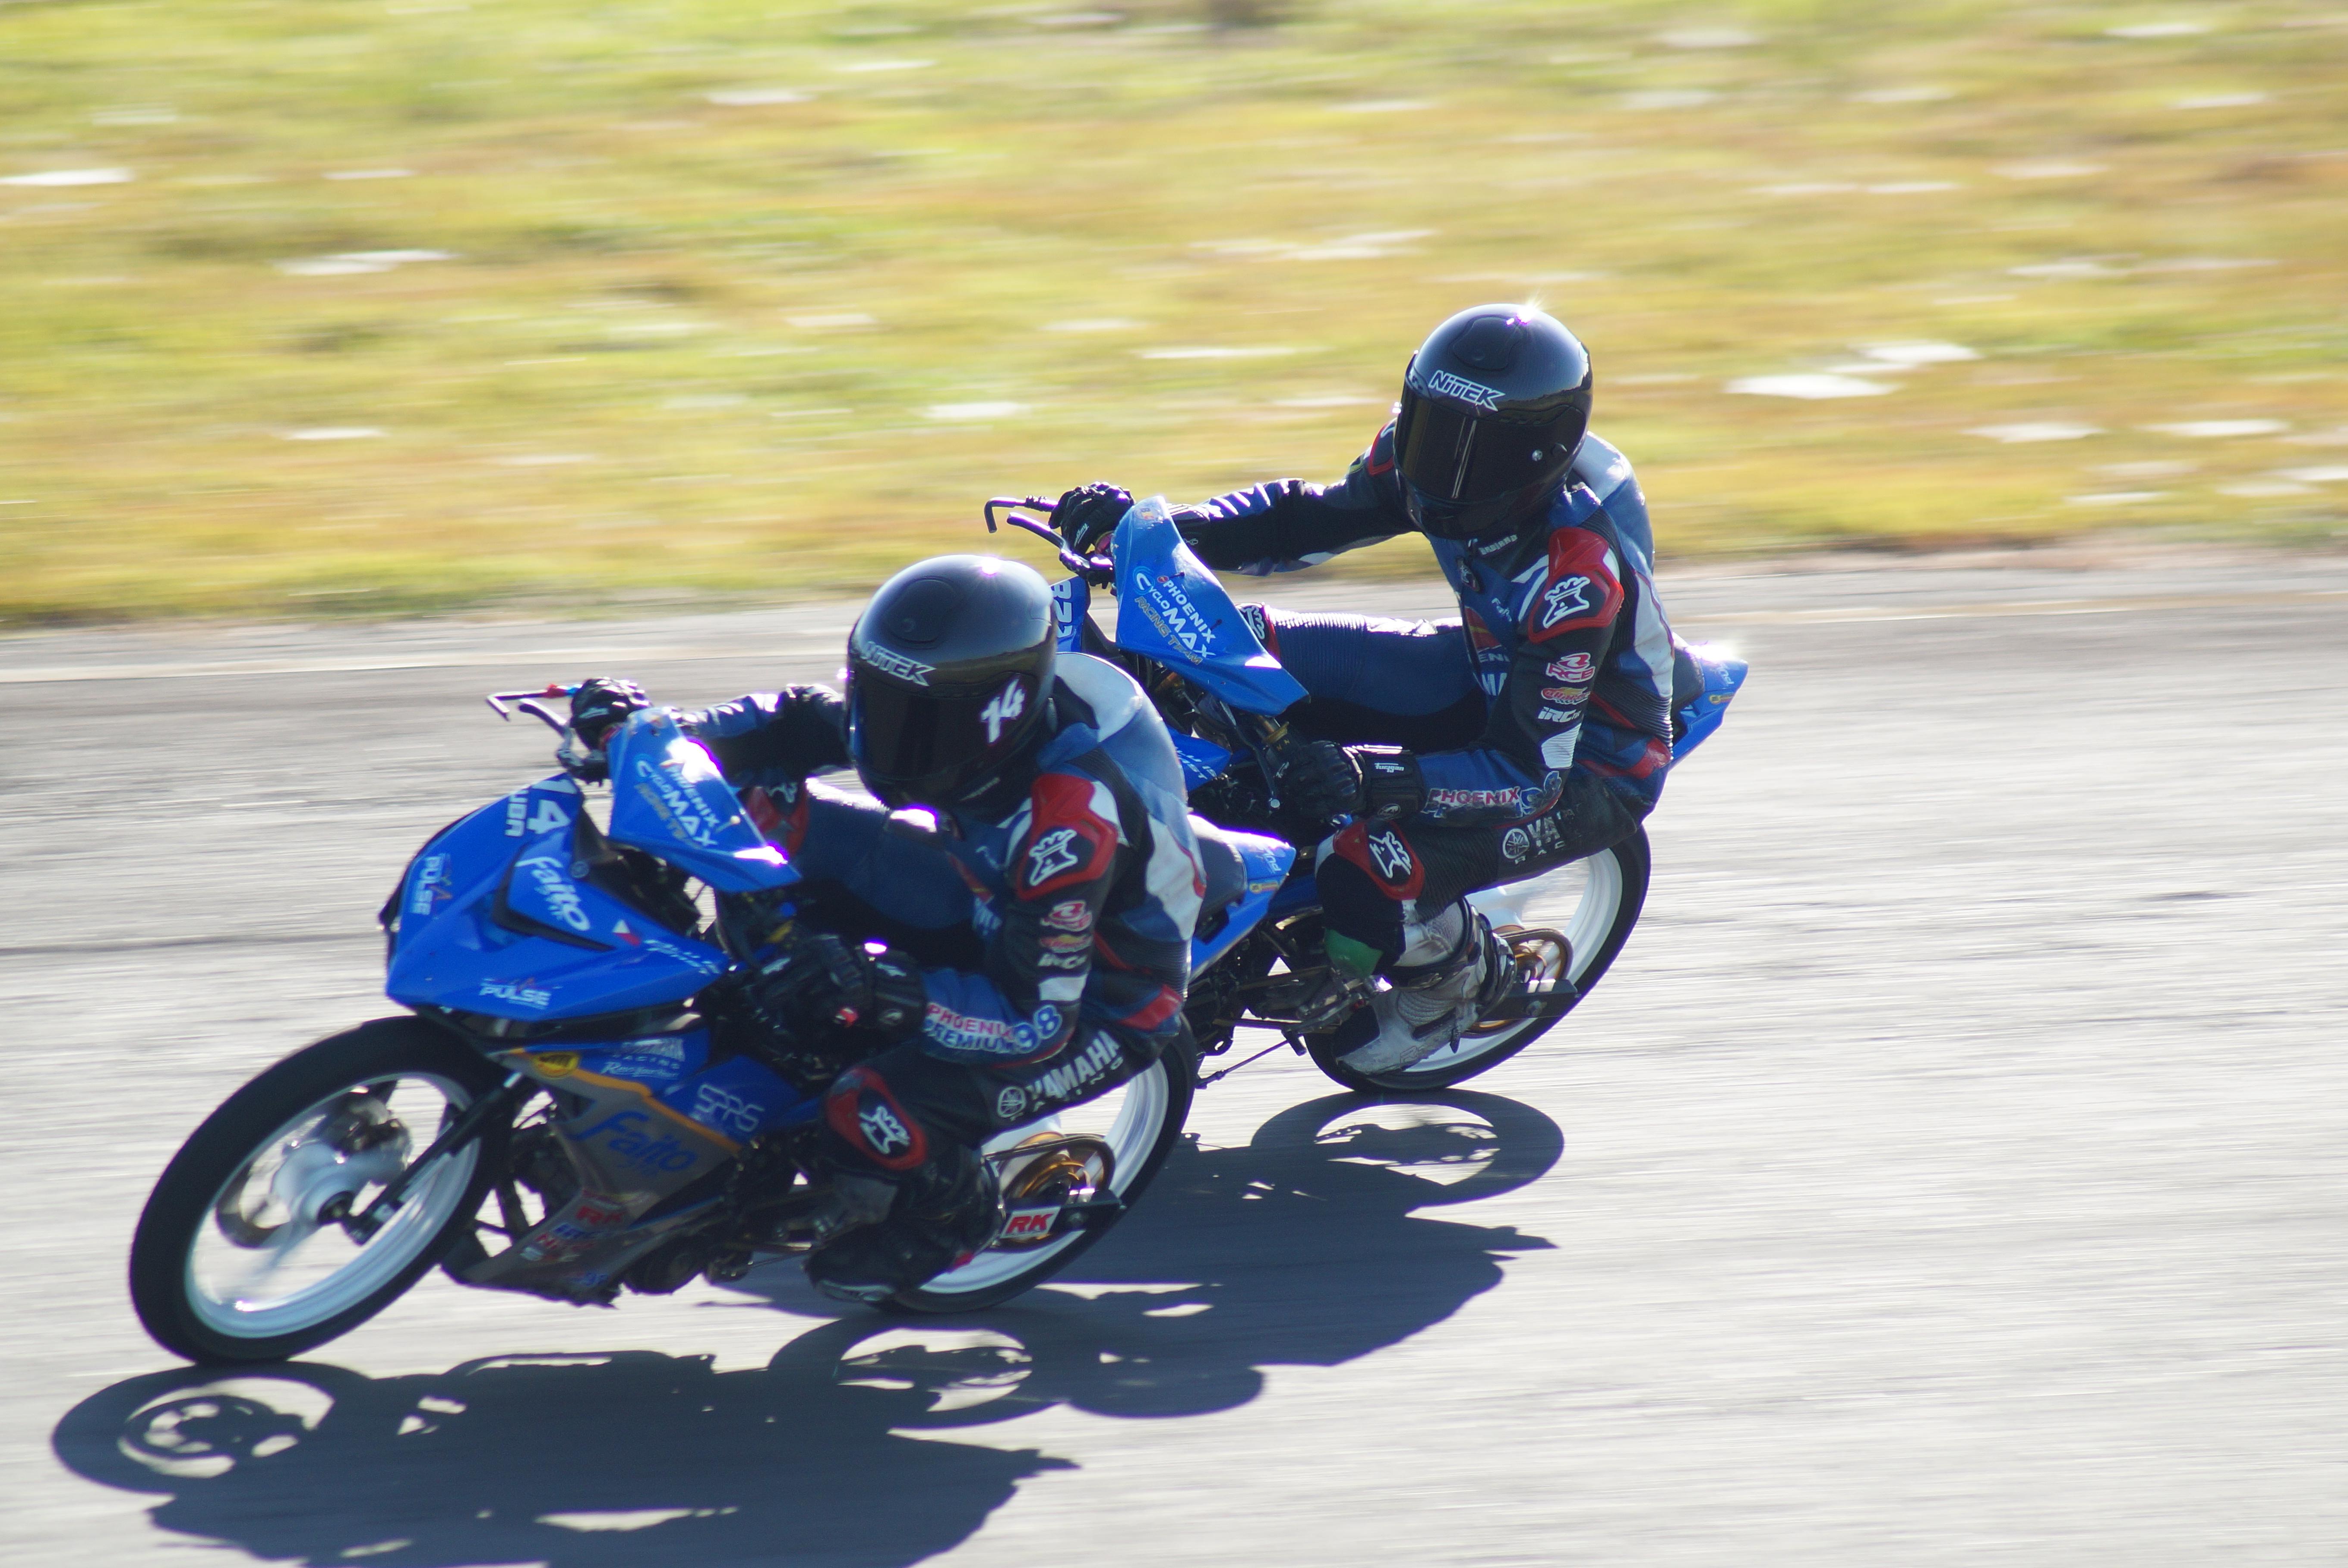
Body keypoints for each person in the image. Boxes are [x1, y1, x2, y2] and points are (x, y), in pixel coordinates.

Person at [1051, 303, 1674, 1074]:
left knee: (1361, 863)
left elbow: (1529, 774)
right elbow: (1303, 519)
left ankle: (1464, 979)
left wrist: (1371, 777)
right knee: (1228, 653)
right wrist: (1164, 530)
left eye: (1474, 455)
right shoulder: (1415, 462)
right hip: (1488, 664)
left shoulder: (1573, 579)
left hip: (1586, 763)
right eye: (1432, 431)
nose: (1440, 469)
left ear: (1539, 460)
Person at [564, 554, 1203, 1304]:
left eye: (917, 723)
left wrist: (879, 985)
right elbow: (794, 720)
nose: (886, 738)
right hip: (987, 892)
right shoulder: (934, 702)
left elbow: (1034, 1019)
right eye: (879, 703)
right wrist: (652, 733)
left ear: (1001, 713)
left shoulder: (1069, 826)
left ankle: (953, 1214)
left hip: (1098, 997)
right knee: (766, 817)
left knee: (868, 1105)